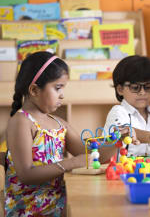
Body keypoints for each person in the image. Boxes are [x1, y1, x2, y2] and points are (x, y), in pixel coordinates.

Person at [4, 51, 120, 216]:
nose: (62, 94)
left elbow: (93, 154)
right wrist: (71, 163)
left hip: (57, 204)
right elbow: (26, 174)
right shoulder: (21, 122)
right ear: (35, 90)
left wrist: (119, 142)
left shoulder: (59, 124)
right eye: (58, 88)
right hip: (29, 209)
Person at [104, 55, 150, 157]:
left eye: (148, 87)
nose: (142, 92)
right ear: (120, 89)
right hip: (121, 171)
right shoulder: (118, 112)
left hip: (147, 171)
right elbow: (122, 132)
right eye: (135, 87)